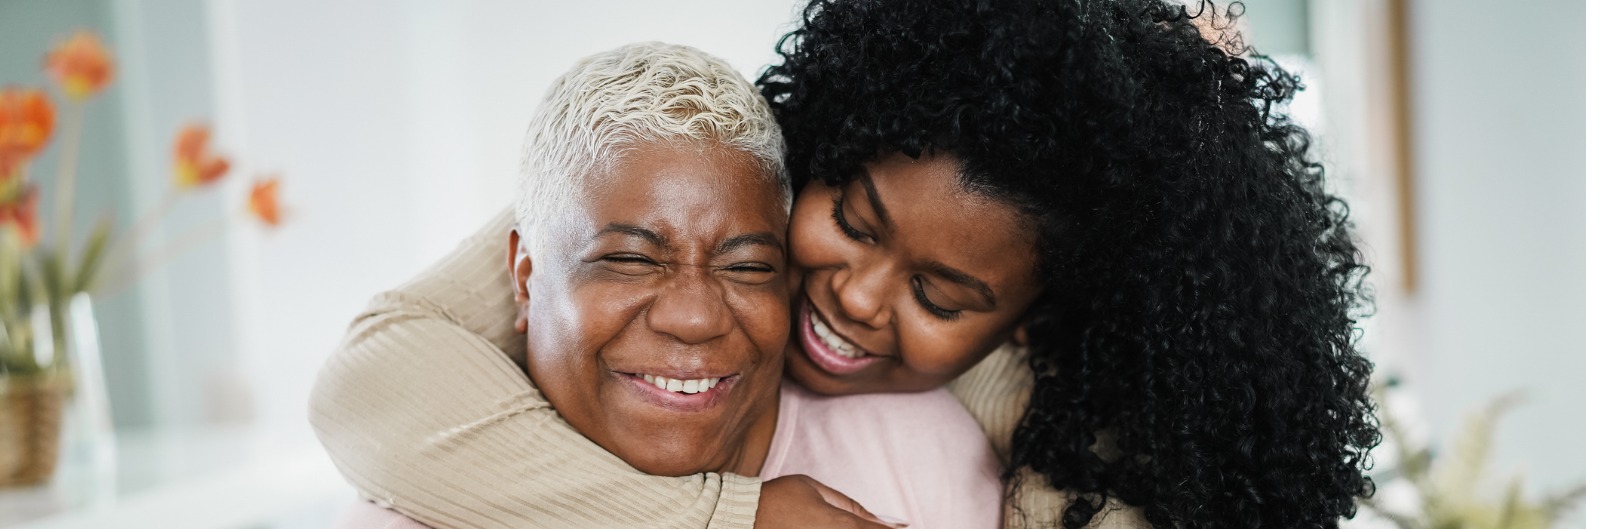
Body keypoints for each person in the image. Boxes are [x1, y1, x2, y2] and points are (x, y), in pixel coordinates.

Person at [311, 1, 1381, 528]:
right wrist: (739, 515)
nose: (855, 296)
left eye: (938, 293)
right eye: (855, 222)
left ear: (1026, 320)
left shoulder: (1045, 398)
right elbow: (371, 379)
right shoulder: (715, 169)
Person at [320, 41, 1002, 529]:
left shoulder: (922, 452)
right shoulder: (415, 497)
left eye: (747, 267)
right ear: (525, 278)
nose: (695, 316)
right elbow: (364, 377)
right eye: (631, 259)